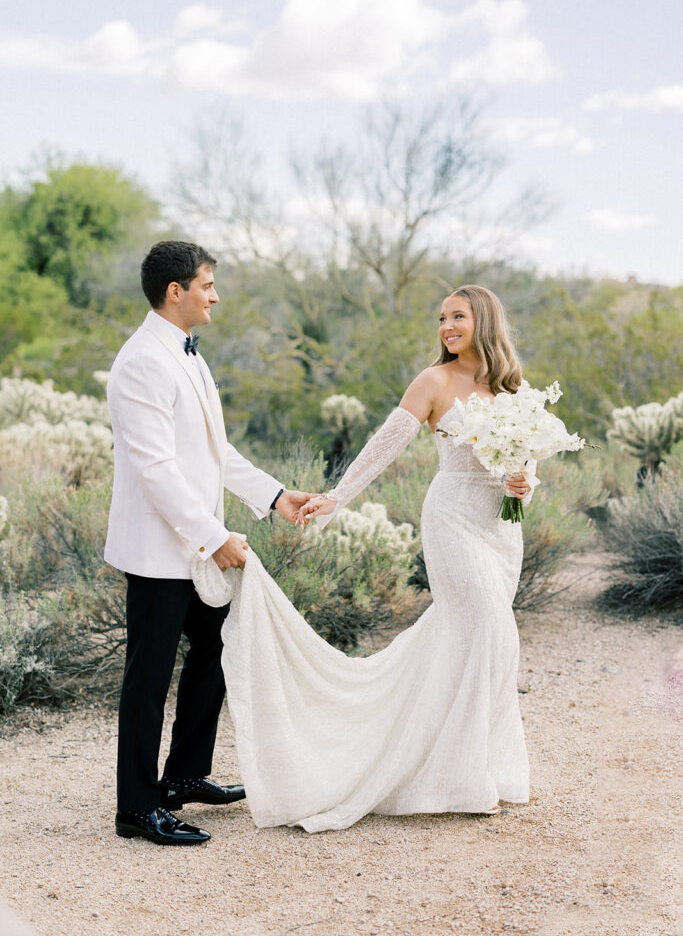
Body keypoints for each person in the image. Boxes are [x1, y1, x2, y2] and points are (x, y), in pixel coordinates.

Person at [215, 285, 536, 832]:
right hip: (453, 521)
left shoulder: (514, 388)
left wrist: (524, 484)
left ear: (485, 320)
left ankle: (470, 765)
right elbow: (385, 445)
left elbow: (528, 463)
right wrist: (337, 497)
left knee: (479, 639)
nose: (446, 327)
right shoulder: (433, 381)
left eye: (458, 316)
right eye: (442, 318)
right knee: (491, 629)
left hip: (501, 528)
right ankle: (462, 777)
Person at [105, 240, 311, 846]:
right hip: (158, 550)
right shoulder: (142, 361)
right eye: (207, 284)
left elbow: (214, 451)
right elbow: (156, 470)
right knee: (148, 679)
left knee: (216, 649)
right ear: (177, 292)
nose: (215, 296)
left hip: (193, 546)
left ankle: (184, 776)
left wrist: (276, 496)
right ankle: (137, 807)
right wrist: (214, 537)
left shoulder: (187, 353)